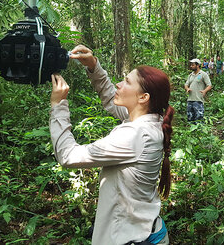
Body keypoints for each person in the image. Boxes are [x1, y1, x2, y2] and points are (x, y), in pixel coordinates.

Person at [49, 45, 172, 245]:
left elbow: (68, 156)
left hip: (135, 239)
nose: (119, 84)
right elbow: (110, 99)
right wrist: (93, 66)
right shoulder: (150, 118)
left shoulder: (135, 136)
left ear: (143, 97)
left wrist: (58, 106)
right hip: (149, 232)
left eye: (126, 81)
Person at [184, 58, 212, 122]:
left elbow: (209, 85)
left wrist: (205, 91)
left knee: (199, 119)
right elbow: (186, 84)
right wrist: (187, 88)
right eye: (191, 65)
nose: (191, 66)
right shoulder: (190, 75)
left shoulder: (203, 74)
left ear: (197, 65)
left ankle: (199, 131)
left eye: (193, 65)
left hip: (198, 100)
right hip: (190, 100)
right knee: (190, 118)